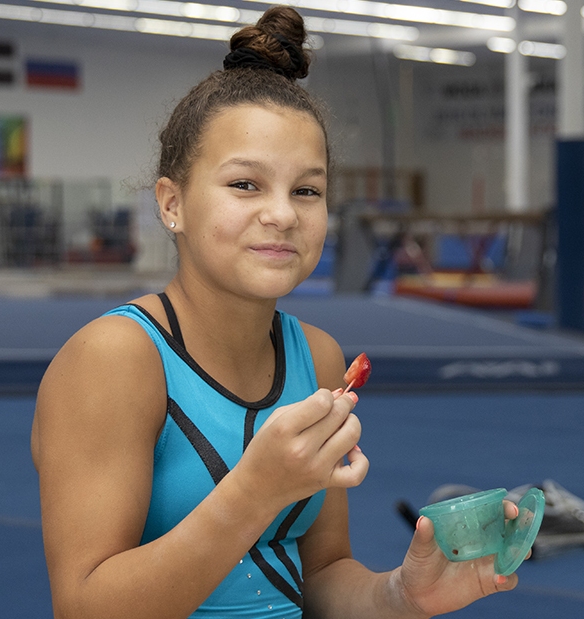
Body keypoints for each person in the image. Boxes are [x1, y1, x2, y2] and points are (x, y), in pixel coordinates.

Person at [31, 7, 523, 617]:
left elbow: (317, 577)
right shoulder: (116, 359)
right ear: (171, 203)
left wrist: (401, 595)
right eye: (245, 184)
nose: (283, 214)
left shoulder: (315, 356)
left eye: (307, 190)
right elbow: (83, 609)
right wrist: (253, 493)